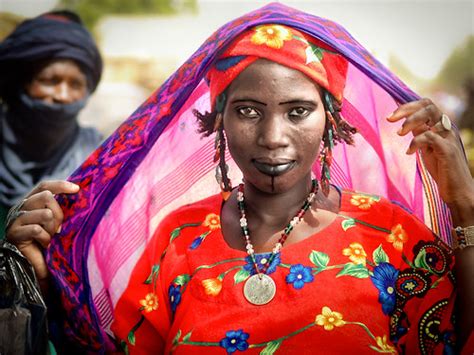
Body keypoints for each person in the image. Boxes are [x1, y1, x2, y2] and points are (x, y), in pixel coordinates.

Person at [5, 3, 474, 354]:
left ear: (332, 121)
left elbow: (458, 336)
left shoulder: (390, 237)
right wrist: (45, 284)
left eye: (298, 112)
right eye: (247, 111)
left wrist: (467, 207)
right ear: (219, 121)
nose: (273, 137)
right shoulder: (180, 238)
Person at [0, 10, 103, 234]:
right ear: (20, 84)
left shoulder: (99, 159)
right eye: (50, 80)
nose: (62, 96)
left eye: (75, 85)